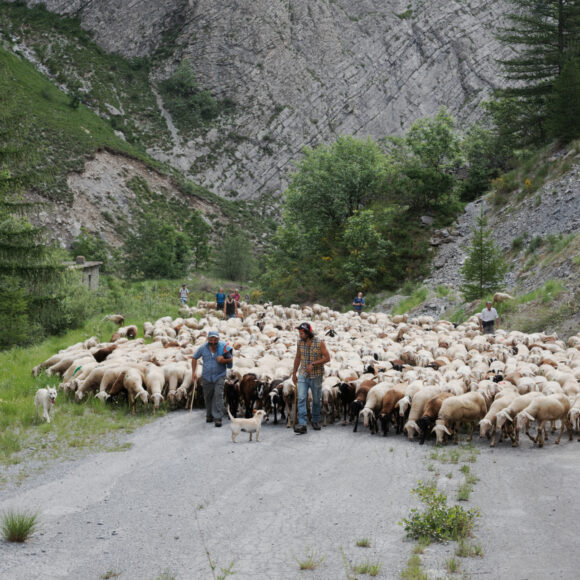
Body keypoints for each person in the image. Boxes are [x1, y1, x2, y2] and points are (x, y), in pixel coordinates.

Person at [292, 322, 331, 434]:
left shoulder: (319, 343)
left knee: (316, 399)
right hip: (303, 374)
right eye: (299, 333)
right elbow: (298, 357)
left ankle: (315, 420)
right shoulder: (299, 343)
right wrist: (294, 373)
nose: (300, 335)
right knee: (301, 398)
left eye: (302, 333)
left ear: (308, 333)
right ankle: (302, 424)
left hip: (316, 375)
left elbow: (327, 358)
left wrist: (314, 364)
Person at [191, 330, 233, 427]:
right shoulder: (203, 348)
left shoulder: (223, 347)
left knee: (218, 395)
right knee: (208, 396)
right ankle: (209, 414)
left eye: (215, 339)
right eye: (211, 339)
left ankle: (218, 417)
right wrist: (193, 372)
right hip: (206, 376)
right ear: (208, 339)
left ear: (218, 339)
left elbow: (230, 360)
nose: (213, 341)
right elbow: (194, 358)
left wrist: (223, 360)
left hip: (219, 375)